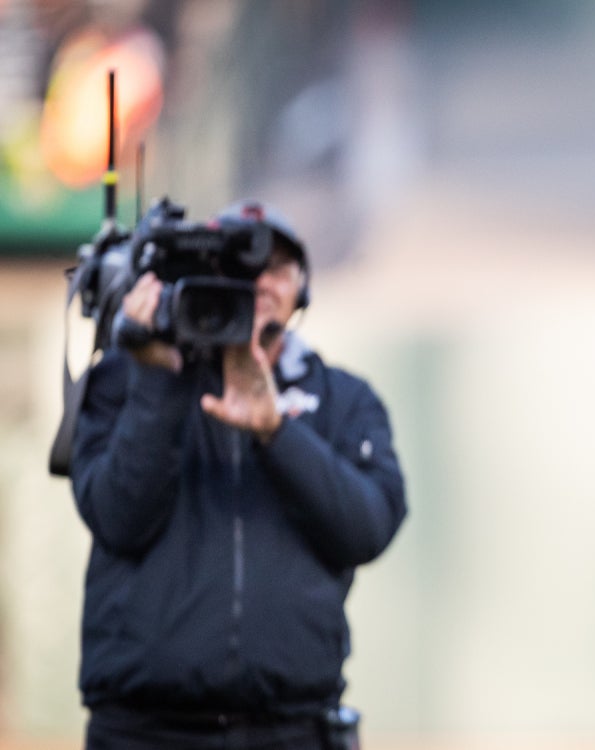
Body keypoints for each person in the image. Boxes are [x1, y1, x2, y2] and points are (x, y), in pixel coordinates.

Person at [68, 201, 405, 750]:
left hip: (292, 728)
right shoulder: (125, 381)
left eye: (278, 267)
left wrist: (277, 432)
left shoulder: (345, 399)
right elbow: (118, 518)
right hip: (144, 731)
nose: (261, 281)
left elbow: (367, 529)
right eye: (241, 264)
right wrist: (159, 381)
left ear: (303, 288)